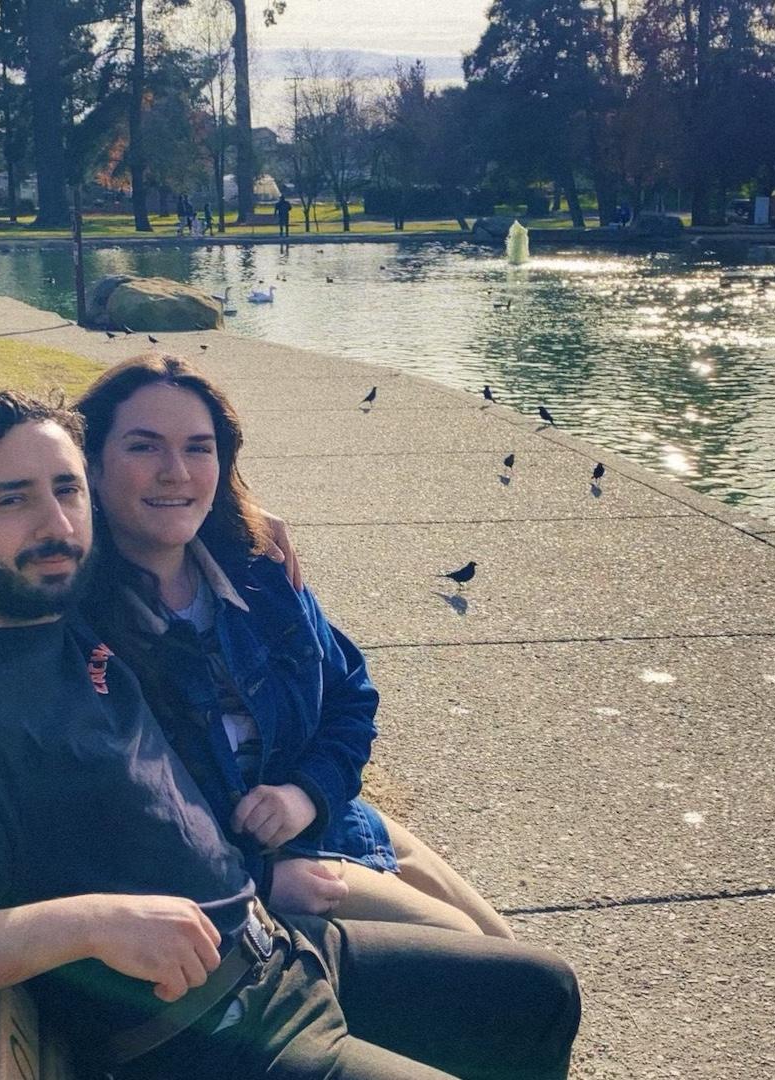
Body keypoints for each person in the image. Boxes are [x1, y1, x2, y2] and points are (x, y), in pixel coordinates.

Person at [0, 390, 580, 1080]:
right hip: (213, 1040)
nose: (57, 525)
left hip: (284, 955)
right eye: (11, 500)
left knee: (541, 993)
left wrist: (234, 519)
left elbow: (151, 498)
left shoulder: (47, 607)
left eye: (67, 489)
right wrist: (87, 923)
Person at [76, 355, 513, 938]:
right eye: (143, 447)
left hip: (324, 816)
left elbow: (349, 698)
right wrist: (254, 872)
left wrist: (307, 794)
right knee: (497, 971)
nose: (176, 471)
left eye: (199, 448)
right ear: (92, 469)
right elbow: (100, 813)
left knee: (502, 941)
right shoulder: (75, 622)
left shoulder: (259, 572)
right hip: (238, 864)